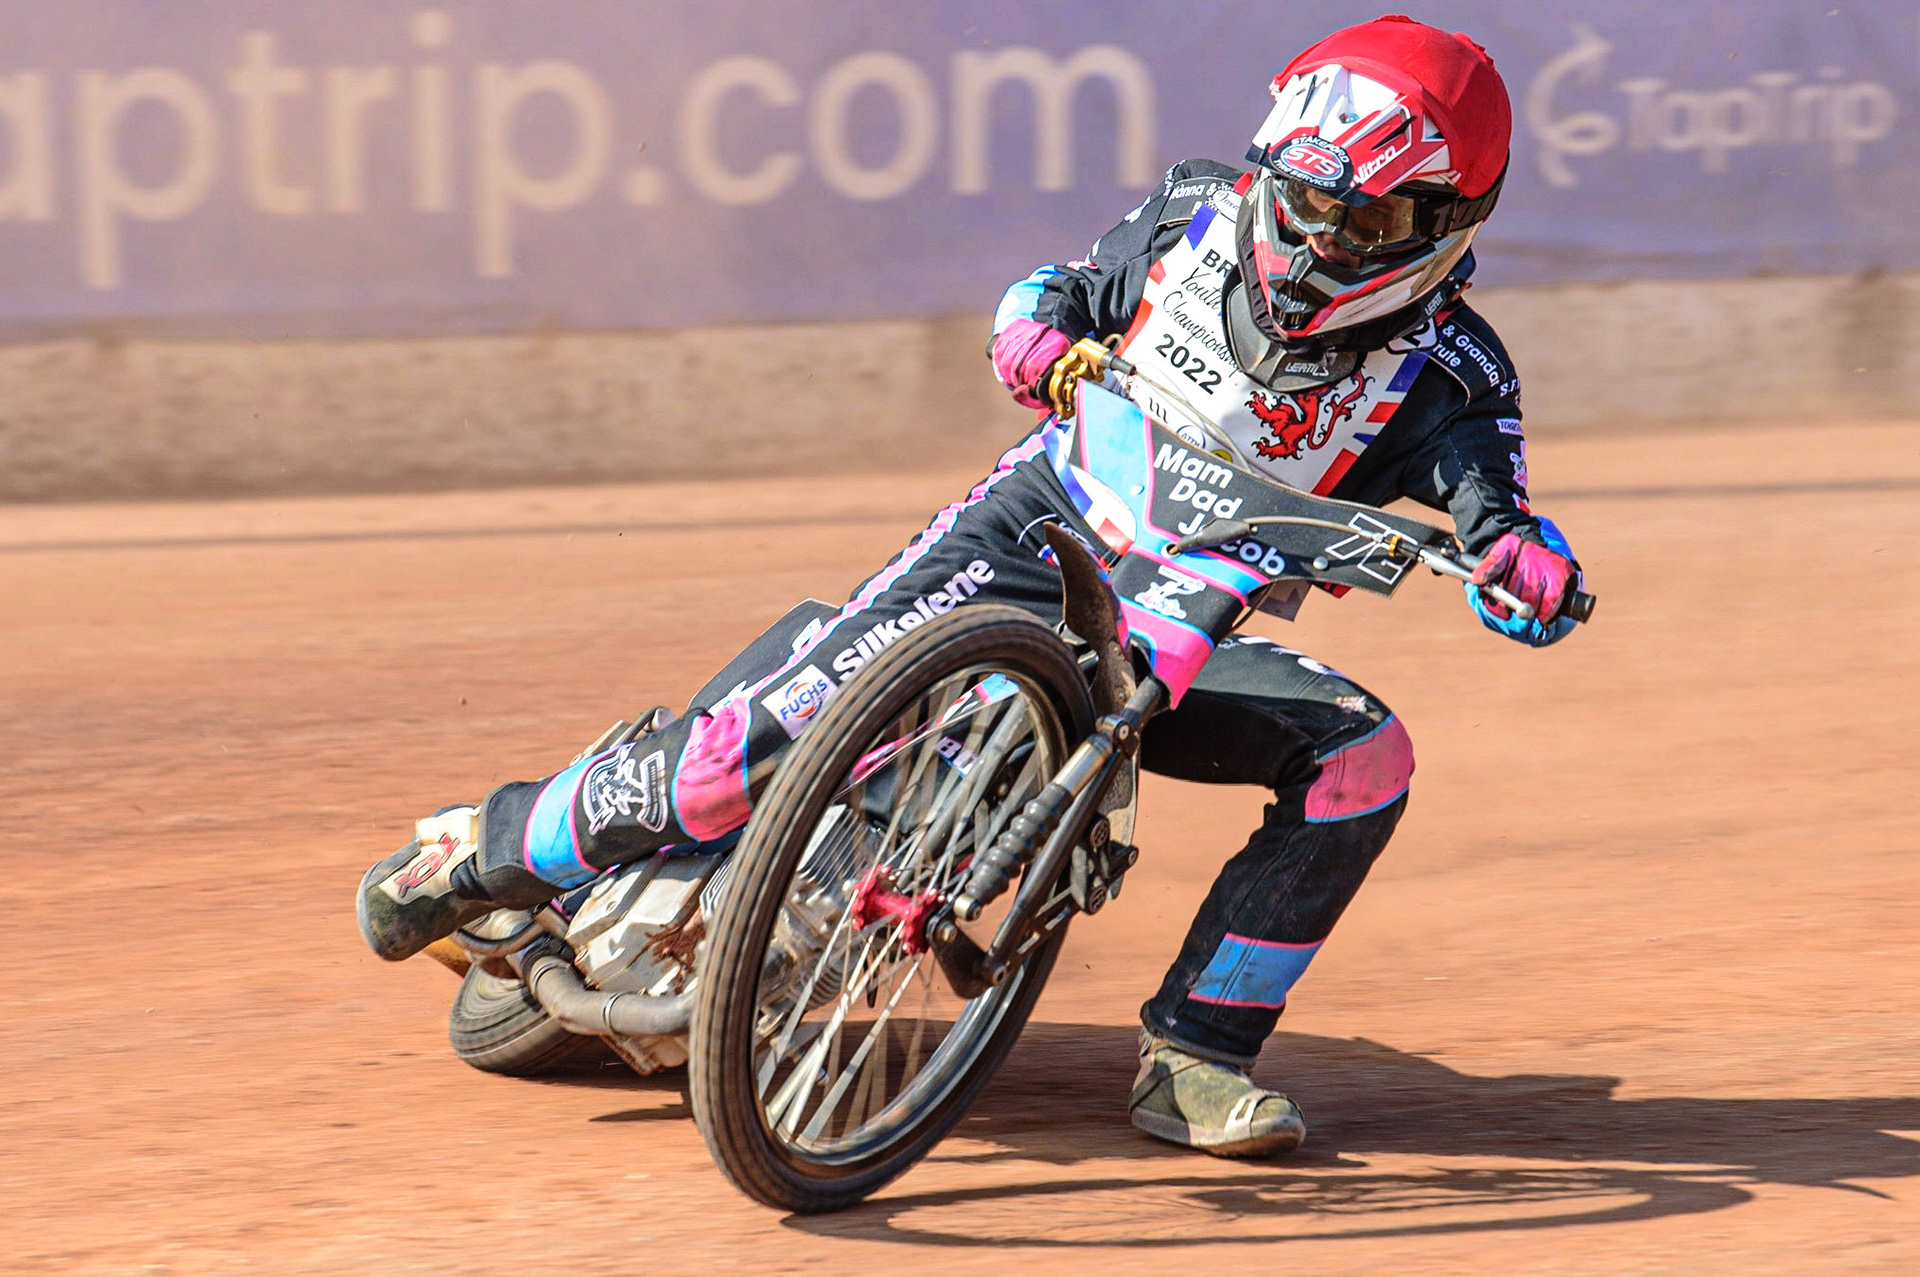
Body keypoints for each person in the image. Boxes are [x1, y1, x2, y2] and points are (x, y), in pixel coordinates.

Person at [357, 15, 1583, 1158]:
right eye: (1308, 200)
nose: (1318, 242)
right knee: (731, 761)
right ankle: (485, 846)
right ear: (1272, 165)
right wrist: (1031, 337)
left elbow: (1498, 519)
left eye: (1362, 227)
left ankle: (1197, 1052)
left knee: (1365, 759)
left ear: (1447, 225)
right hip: (1029, 528)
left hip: (1181, 619)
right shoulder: (1196, 212)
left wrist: (1523, 567)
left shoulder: (1457, 376)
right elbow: (1052, 292)